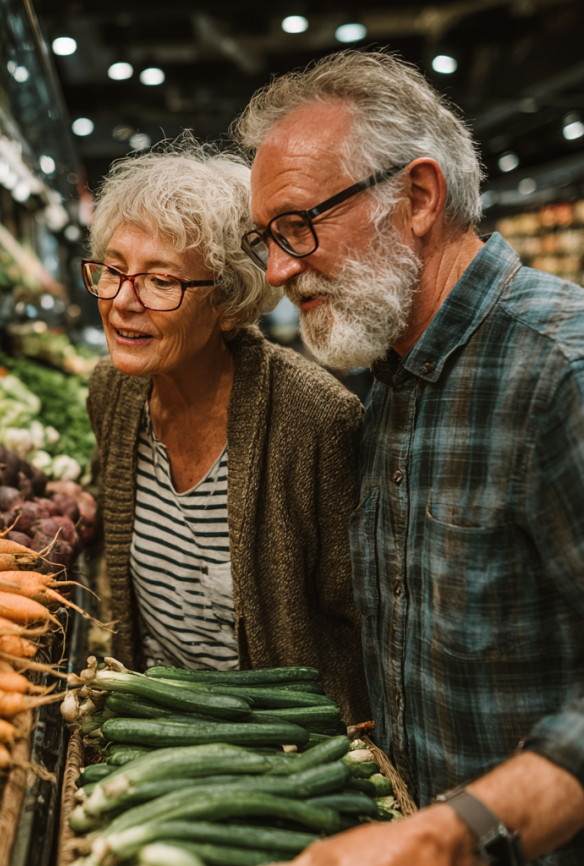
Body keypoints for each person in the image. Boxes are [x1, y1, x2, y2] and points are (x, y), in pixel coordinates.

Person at [236, 50, 584, 865]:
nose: (279, 270)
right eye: (267, 239)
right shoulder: (391, 365)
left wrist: (450, 833)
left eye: (297, 225)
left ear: (418, 197)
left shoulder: (560, 370)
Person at [85, 139, 370, 723]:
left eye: (160, 281)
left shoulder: (314, 418)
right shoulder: (112, 393)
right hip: (156, 733)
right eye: (113, 270)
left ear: (229, 303)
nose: (121, 302)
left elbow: (359, 622)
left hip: (278, 755)